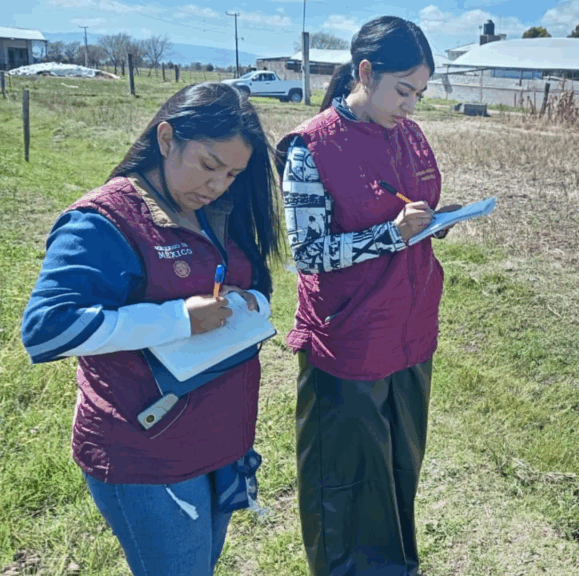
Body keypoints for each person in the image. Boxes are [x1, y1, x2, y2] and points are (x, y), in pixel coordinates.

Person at [20, 82, 280, 575]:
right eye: (208, 164)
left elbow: (247, 278)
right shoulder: (105, 221)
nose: (218, 184)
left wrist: (252, 301)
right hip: (147, 453)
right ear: (166, 138)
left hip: (217, 438)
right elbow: (45, 329)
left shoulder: (214, 209)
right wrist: (178, 319)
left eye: (232, 173)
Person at [276, 16, 460, 576]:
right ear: (364, 73)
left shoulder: (411, 135)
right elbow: (307, 253)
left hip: (410, 330)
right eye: (403, 90)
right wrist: (390, 235)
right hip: (348, 336)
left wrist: (435, 223)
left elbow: (414, 210)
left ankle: (398, 563)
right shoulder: (311, 148)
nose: (412, 105)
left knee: (400, 464)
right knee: (349, 477)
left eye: (420, 94)